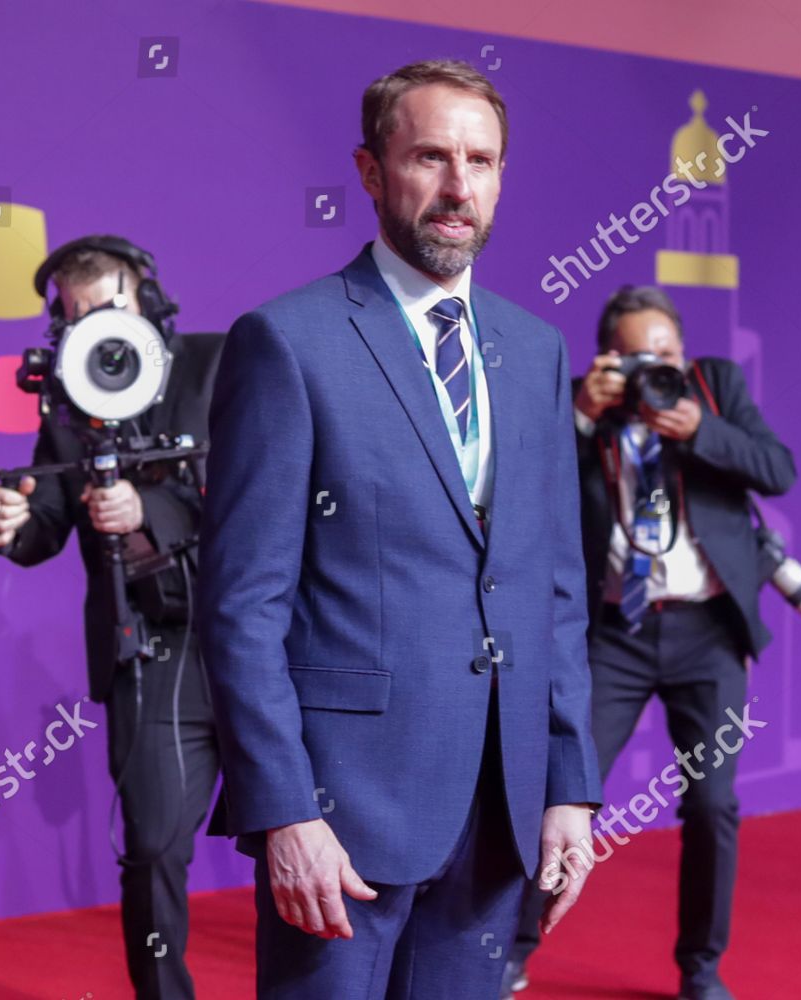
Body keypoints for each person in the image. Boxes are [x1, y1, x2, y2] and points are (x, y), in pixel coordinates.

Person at [198, 60, 602, 999]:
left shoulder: (535, 349)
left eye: (482, 160)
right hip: (345, 819)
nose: (460, 186)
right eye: (430, 156)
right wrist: (285, 810)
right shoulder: (288, 342)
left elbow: (555, 587)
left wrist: (569, 785)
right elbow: (243, 606)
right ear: (372, 172)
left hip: (503, 813)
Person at [504, 285, 796, 1000]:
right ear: (609, 356)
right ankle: (508, 948)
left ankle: (701, 969)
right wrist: (580, 417)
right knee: (560, 796)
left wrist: (699, 427)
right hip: (616, 636)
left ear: (685, 353)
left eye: (666, 354)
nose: (654, 370)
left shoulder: (714, 386)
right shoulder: (583, 404)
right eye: (638, 357)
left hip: (707, 631)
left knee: (711, 804)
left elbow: (778, 469)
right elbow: (519, 494)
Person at [0, 236, 224, 1000]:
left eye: (109, 306)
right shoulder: (69, 402)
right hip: (149, 651)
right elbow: (44, 524)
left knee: (310, 840)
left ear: (146, 296)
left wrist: (149, 507)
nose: (96, 329)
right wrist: (11, 523)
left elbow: (264, 491)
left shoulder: (219, 365)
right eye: (75, 314)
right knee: (150, 847)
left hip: (259, 643)